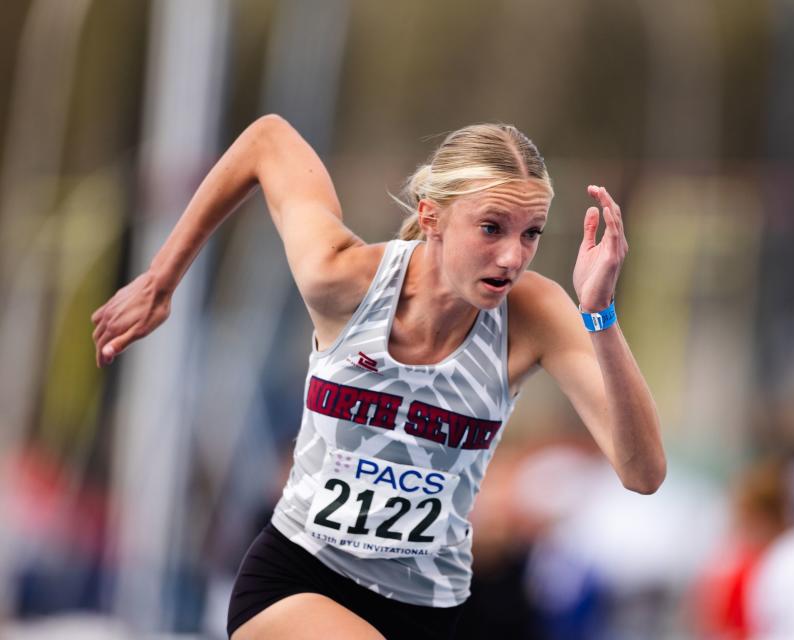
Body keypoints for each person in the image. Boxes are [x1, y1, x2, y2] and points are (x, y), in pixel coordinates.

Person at [90, 115, 665, 639]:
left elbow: (642, 472)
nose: (513, 258)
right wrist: (161, 279)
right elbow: (268, 140)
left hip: (432, 607)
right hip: (301, 579)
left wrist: (601, 315)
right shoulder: (344, 279)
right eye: (492, 228)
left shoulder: (535, 315)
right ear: (430, 214)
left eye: (531, 234)